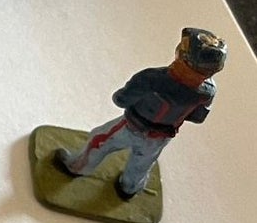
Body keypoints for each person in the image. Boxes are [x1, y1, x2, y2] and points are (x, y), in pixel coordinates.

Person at [54, 26, 226, 200]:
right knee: (142, 164)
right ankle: (129, 188)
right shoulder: (208, 91)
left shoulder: (152, 78)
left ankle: (77, 167)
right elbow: (198, 117)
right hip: (161, 136)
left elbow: (121, 99)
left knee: (99, 141)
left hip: (132, 125)